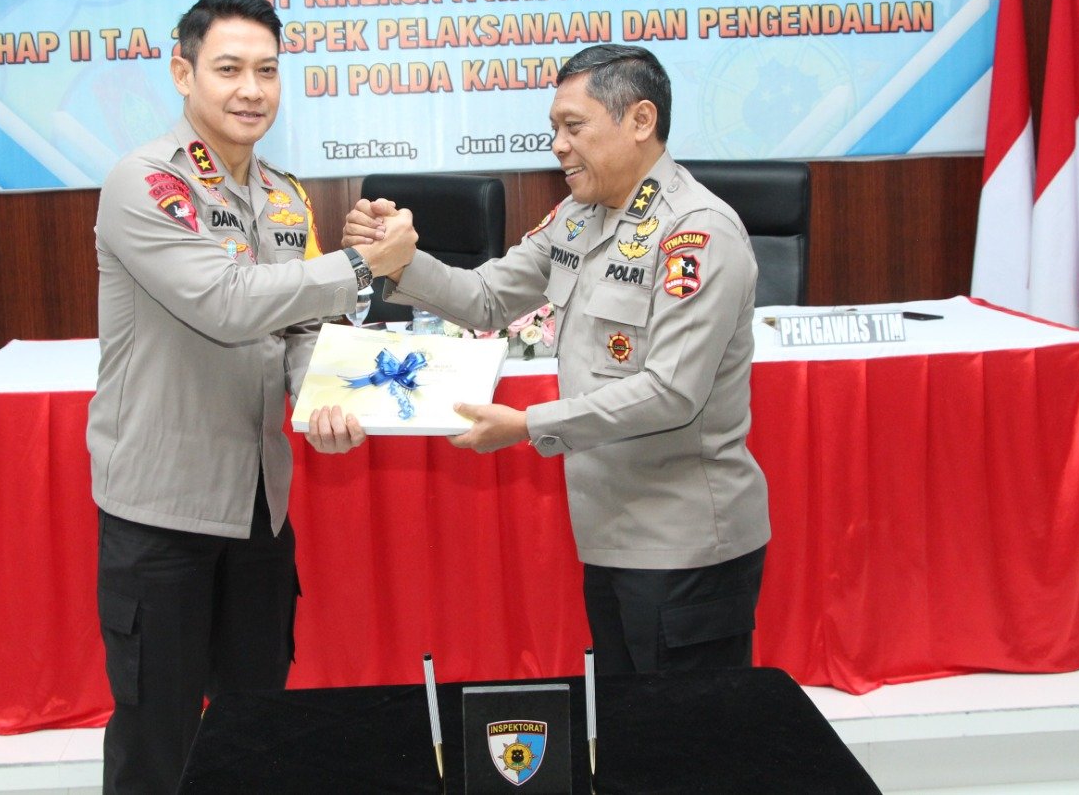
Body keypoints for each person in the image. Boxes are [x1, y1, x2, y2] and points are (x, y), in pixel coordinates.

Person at [316, 43, 769, 676]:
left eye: (573, 126)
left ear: (641, 121)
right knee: (627, 724)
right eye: (554, 127)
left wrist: (528, 425)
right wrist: (397, 259)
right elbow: (486, 297)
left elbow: (670, 392)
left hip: (686, 545)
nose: (557, 145)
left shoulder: (697, 231)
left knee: (689, 731)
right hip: (611, 536)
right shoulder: (579, 216)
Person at [88, 0, 416, 793]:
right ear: (183, 73)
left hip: (260, 506)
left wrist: (325, 399)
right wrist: (361, 266)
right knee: (158, 736)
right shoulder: (146, 184)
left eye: (267, 71)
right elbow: (226, 305)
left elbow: (299, 329)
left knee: (255, 722)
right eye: (229, 68)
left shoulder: (284, 196)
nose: (251, 90)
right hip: (162, 506)